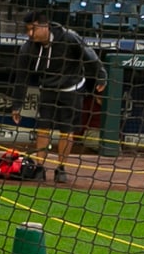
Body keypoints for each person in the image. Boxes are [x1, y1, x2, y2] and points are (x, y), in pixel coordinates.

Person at [18, 11, 105, 182]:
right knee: (43, 129)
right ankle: (39, 168)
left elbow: (90, 56)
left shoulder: (69, 37)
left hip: (71, 89)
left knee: (67, 131)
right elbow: (21, 77)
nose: (30, 34)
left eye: (32, 29)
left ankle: (61, 169)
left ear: (44, 26)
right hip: (47, 89)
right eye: (27, 30)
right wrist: (16, 104)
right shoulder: (28, 47)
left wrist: (101, 75)